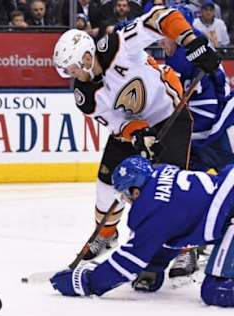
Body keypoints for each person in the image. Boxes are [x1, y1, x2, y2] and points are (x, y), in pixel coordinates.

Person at [52, 5, 220, 265]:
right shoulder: (85, 96)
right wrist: (138, 133)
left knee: (171, 187)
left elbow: (160, 17)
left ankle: (186, 248)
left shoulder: (116, 46)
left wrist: (191, 41)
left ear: (86, 57)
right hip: (136, 126)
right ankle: (106, 235)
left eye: (71, 69)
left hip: (169, 112)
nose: (71, 75)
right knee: (106, 182)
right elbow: (116, 123)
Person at [50, 155, 234, 307]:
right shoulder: (162, 171)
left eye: (125, 195)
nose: (128, 201)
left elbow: (131, 258)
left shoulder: (151, 208)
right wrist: (153, 265)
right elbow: (170, 234)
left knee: (216, 290)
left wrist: (87, 282)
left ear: (136, 191)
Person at [160, 4, 234, 277]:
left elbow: (222, 92)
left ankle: (192, 248)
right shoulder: (178, 57)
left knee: (190, 193)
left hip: (215, 137)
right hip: (196, 139)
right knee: (188, 194)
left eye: (165, 34)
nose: (160, 40)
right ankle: (188, 249)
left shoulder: (187, 57)